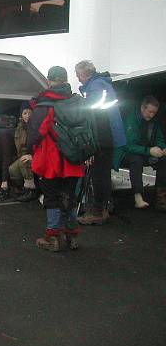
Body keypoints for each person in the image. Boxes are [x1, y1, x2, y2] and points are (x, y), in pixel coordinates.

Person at [27, 66, 84, 252]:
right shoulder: (77, 101)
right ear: (66, 80)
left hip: (50, 161)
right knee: (70, 196)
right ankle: (72, 235)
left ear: (49, 81)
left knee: (51, 198)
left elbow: (34, 136)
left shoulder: (44, 105)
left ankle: (53, 238)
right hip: (73, 159)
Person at [75, 60, 126, 225]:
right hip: (109, 135)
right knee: (103, 173)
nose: (78, 78)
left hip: (103, 136)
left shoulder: (96, 87)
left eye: (78, 74)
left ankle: (98, 210)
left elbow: (92, 113)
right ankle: (103, 207)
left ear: (84, 74)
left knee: (99, 175)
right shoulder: (101, 84)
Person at [113, 96, 166, 210]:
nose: (151, 115)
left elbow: (160, 139)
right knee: (136, 159)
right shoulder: (131, 120)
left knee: (164, 160)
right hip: (125, 153)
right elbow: (127, 145)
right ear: (142, 108)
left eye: (154, 113)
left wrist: (163, 148)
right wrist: (149, 151)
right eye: (149, 111)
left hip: (145, 152)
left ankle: (161, 198)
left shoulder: (154, 122)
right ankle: (138, 196)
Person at [9, 102, 36, 202]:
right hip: (22, 155)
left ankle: (31, 190)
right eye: (25, 113)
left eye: (30, 112)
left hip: (34, 156)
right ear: (21, 115)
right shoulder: (19, 128)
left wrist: (32, 155)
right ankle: (22, 189)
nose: (28, 115)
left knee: (23, 162)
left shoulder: (35, 127)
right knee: (12, 169)